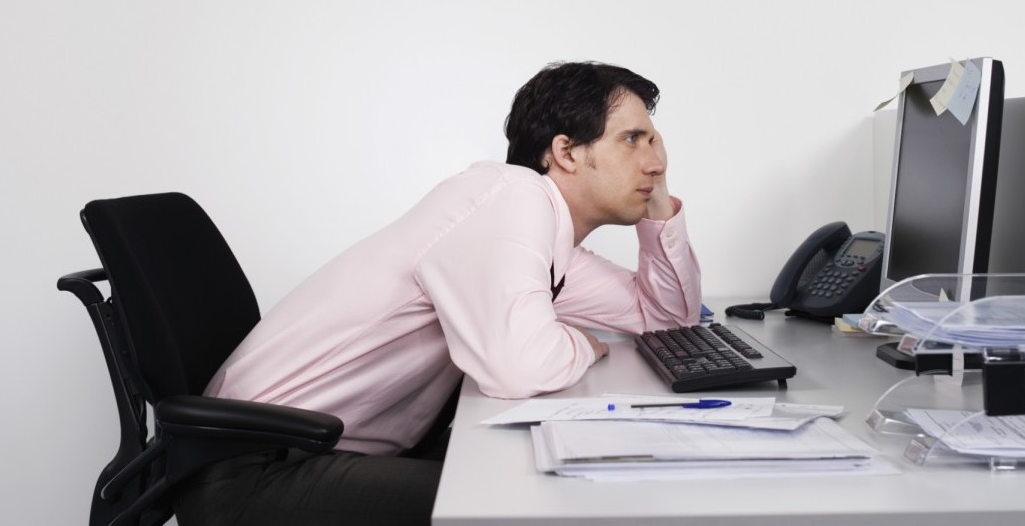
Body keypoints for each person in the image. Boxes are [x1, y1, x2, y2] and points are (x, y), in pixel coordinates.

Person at [175, 61, 702, 525]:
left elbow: (666, 318)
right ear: (565, 152)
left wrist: (657, 206)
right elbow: (518, 367)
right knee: (536, 504)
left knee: (543, 477)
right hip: (252, 471)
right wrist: (584, 344)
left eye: (654, 140)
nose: (655, 160)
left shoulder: (542, 236)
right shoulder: (514, 199)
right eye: (632, 139)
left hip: (312, 454)